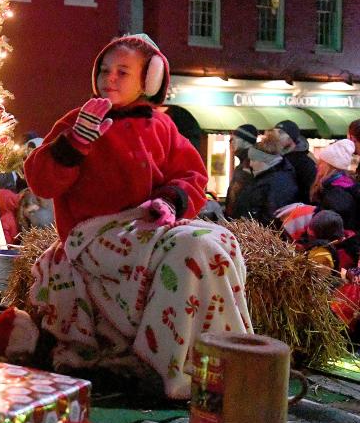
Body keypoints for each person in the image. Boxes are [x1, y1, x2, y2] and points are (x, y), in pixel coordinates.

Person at [24, 33, 251, 400]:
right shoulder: (78, 120)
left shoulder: (162, 126)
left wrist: (170, 200)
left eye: (122, 72)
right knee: (189, 251)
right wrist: (76, 143)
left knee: (216, 240)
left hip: (148, 224)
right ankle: (161, 369)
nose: (109, 78)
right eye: (105, 70)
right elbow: (41, 180)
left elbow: (191, 176)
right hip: (92, 233)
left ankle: (220, 359)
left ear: (149, 79)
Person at [230, 130, 299, 226]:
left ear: (265, 160)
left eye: (253, 160)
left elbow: (271, 217)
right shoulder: (262, 177)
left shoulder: (278, 182)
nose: (251, 164)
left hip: (260, 235)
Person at [310, 139, 360, 230]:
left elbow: (329, 227)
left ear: (327, 166)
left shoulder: (336, 192)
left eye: (320, 162)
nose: (317, 166)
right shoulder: (344, 186)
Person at [274, 120, 317, 204]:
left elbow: (310, 192)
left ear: (291, 137)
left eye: (281, 133)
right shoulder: (277, 158)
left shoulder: (304, 162)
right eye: (274, 133)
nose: (276, 136)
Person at [224, 124, 257, 218]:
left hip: (243, 222)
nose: (231, 142)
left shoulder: (251, 164)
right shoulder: (244, 164)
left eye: (234, 138)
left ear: (245, 141)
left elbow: (245, 197)